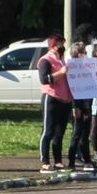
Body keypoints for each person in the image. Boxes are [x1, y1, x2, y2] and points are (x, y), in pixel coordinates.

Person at [34, 34, 71, 172]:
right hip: (51, 98)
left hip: (64, 100)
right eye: (59, 43)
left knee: (59, 132)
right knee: (48, 130)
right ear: (53, 45)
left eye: (62, 43)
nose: (62, 46)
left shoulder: (62, 60)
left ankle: (58, 161)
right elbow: (44, 79)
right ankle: (44, 161)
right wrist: (61, 73)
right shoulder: (45, 60)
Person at [65, 39, 95, 170]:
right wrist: (74, 107)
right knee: (77, 133)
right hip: (77, 105)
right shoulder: (72, 69)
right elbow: (72, 89)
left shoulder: (87, 68)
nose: (85, 55)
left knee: (85, 134)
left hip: (86, 104)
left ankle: (87, 159)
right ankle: (71, 161)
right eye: (83, 53)